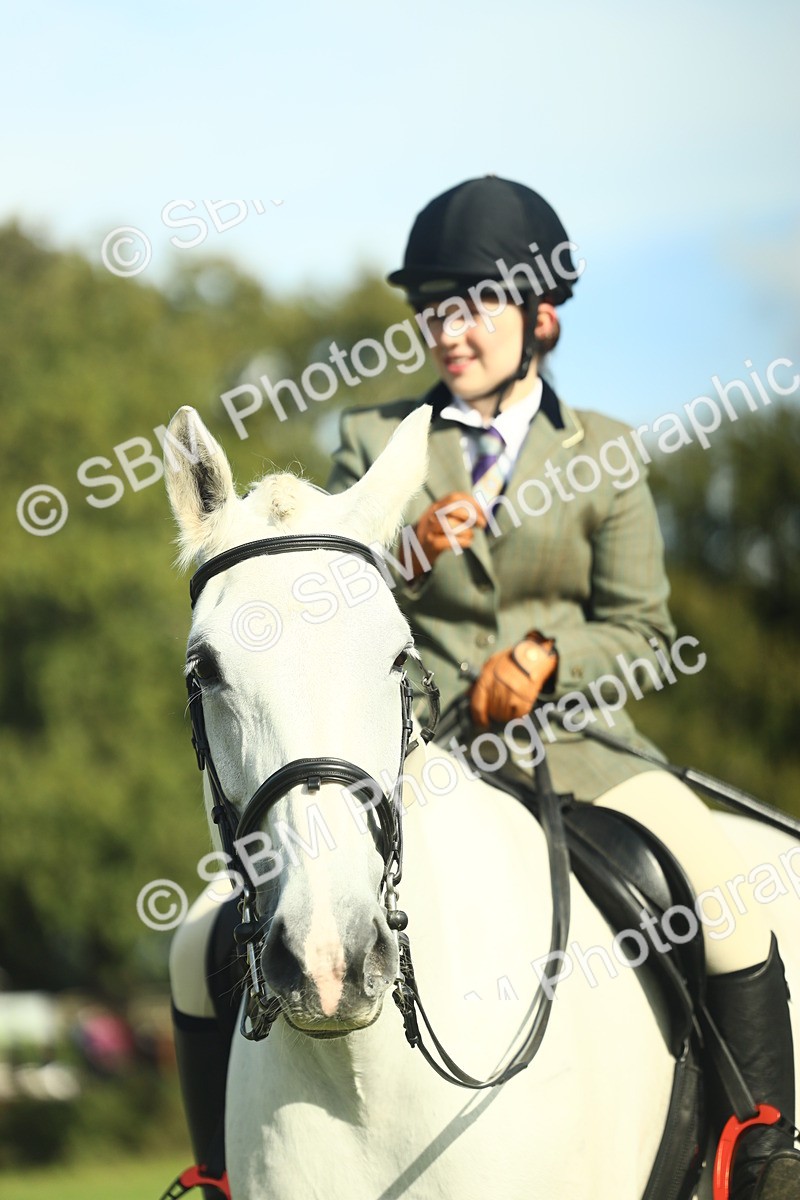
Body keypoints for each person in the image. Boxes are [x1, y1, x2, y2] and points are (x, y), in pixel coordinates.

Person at [168, 176, 800, 1200]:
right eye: (430, 309)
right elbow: (325, 602)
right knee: (197, 938)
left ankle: (763, 1156)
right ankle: (219, 1177)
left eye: (470, 305)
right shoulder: (376, 443)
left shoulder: (602, 452)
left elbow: (644, 630)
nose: (445, 331)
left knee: (725, 904)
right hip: (419, 754)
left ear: (538, 315)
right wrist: (403, 552)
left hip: (584, 749)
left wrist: (548, 662)